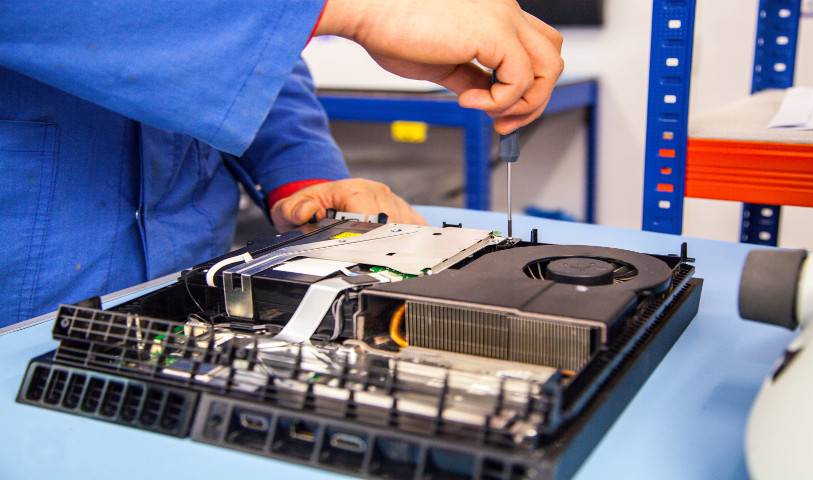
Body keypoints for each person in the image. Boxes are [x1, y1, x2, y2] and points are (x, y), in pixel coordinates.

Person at [0, 0, 564, 326]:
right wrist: (357, 9)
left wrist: (307, 176)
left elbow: (260, 61)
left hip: (191, 284)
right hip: (26, 290)